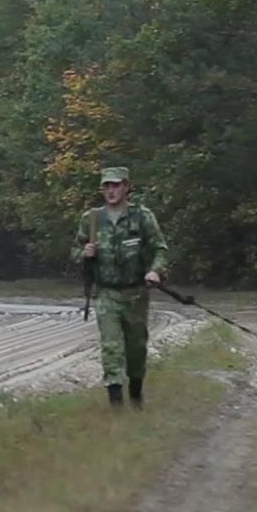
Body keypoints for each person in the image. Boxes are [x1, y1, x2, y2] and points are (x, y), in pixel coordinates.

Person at [73, 165, 170, 409]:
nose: (111, 190)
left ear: (126, 187)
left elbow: (160, 248)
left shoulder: (142, 216)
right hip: (106, 293)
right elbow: (75, 251)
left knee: (136, 348)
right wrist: (84, 253)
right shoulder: (92, 219)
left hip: (136, 293)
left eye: (115, 185)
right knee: (111, 346)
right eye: (106, 186)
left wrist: (155, 271)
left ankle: (136, 394)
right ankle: (115, 403)